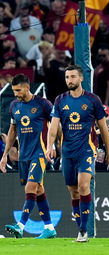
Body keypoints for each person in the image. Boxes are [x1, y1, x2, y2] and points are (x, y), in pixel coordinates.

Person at [45, 65, 109, 242]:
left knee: (83, 185)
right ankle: (81, 228)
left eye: (73, 77)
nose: (69, 80)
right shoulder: (60, 100)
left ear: (81, 78)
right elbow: (53, 126)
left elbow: (103, 128)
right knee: (74, 192)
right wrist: (49, 146)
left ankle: (84, 231)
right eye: (67, 77)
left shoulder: (93, 100)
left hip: (87, 150)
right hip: (67, 152)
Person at [0, 74, 57, 239]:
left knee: (30, 188)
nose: (16, 93)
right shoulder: (13, 106)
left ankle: (20, 226)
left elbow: (55, 124)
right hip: (23, 155)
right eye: (14, 91)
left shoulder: (43, 104)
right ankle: (49, 228)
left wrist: (52, 145)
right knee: (38, 190)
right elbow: (12, 131)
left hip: (39, 153)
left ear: (27, 87)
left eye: (18, 90)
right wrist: (5, 155)